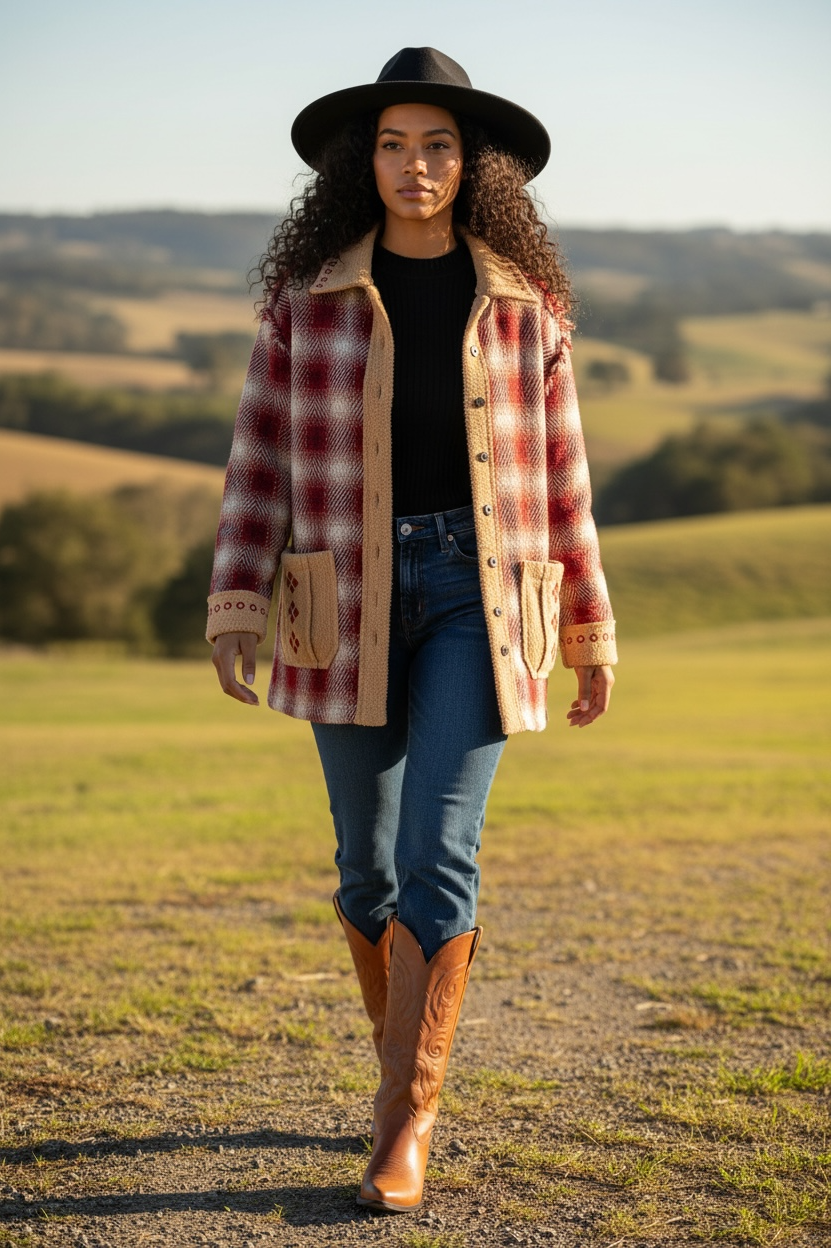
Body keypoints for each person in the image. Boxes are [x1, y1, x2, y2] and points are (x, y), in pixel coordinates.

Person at [207, 47, 617, 1214]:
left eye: (437, 145)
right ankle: (405, 1067)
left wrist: (588, 630)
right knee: (365, 864)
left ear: (473, 167)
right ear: (363, 162)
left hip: (479, 603)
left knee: (441, 853)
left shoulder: (527, 311)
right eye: (393, 144)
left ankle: (404, 1120)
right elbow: (258, 466)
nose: (415, 165)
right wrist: (237, 601)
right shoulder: (306, 303)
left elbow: (565, 486)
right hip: (340, 600)